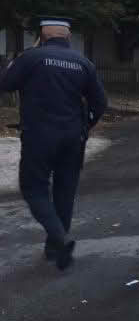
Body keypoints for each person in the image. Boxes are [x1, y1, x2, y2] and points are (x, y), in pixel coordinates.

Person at [0, 17, 107, 270]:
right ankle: (55, 249)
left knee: (33, 188)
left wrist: (16, 62)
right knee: (64, 191)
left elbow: (5, 84)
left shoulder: (31, 58)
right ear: (68, 37)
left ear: (42, 36)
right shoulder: (84, 63)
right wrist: (84, 127)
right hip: (72, 138)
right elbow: (100, 104)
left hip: (39, 136)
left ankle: (59, 238)